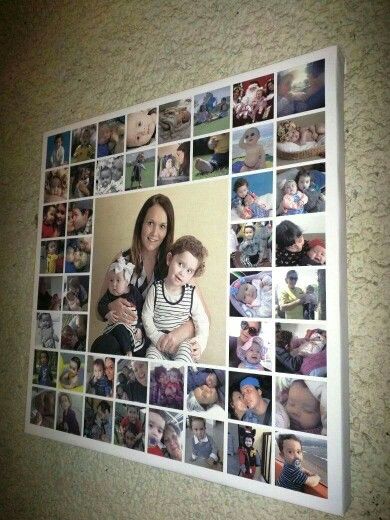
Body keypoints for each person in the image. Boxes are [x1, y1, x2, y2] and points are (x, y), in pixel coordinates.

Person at [143, 235, 209, 363]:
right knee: (150, 357)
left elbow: (202, 321)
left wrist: (200, 343)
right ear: (169, 259)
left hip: (181, 345)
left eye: (189, 270)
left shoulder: (191, 294)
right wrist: (157, 337)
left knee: (186, 352)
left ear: (193, 275)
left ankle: (177, 378)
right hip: (159, 345)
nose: (182, 273)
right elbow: (146, 316)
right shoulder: (155, 290)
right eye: (180, 264)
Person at [91, 256, 145, 356]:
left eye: (118, 280)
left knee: (140, 347)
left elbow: (142, 309)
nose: (114, 284)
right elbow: (100, 306)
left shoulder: (134, 292)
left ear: (127, 282)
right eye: (111, 280)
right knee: (120, 328)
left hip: (134, 329)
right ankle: (127, 351)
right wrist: (107, 313)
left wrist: (139, 327)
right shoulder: (109, 294)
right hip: (116, 327)